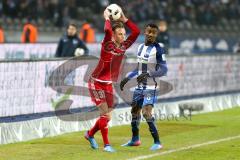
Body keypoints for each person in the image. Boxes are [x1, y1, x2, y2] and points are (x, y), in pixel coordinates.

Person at [85, 8, 140, 152]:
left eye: (123, 34)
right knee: (104, 114)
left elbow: (136, 32)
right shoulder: (107, 44)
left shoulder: (123, 46)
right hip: (96, 82)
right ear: (114, 35)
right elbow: (108, 31)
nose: (123, 36)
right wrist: (107, 18)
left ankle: (90, 134)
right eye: (120, 34)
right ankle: (107, 145)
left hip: (108, 83)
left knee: (107, 117)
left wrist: (125, 19)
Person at [120, 23, 168, 151]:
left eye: (153, 33)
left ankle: (157, 142)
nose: (151, 34)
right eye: (149, 32)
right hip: (139, 86)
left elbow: (164, 69)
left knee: (146, 113)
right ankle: (135, 140)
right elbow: (139, 67)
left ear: (156, 35)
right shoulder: (140, 47)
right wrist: (127, 77)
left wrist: (149, 74)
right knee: (134, 112)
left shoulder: (158, 49)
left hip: (151, 87)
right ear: (145, 32)